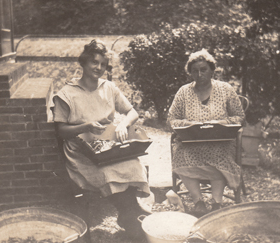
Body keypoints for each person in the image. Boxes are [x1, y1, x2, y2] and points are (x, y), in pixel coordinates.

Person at [52, 39, 150, 240]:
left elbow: (132, 112)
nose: (98, 68)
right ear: (84, 62)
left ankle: (130, 211)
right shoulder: (67, 94)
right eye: (94, 62)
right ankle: (130, 215)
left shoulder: (109, 88)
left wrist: (123, 124)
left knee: (132, 163)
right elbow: (61, 131)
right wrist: (86, 126)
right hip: (81, 151)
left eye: (103, 65)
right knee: (107, 172)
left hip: (108, 145)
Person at [167, 49, 245, 217]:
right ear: (190, 73)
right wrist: (189, 124)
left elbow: (240, 117)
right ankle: (198, 202)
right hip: (192, 142)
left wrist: (222, 123)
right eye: (195, 70)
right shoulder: (184, 92)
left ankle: (217, 203)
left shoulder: (225, 89)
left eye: (203, 69)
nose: (199, 74)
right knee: (180, 155)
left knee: (220, 155)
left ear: (212, 70)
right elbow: (171, 119)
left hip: (221, 142)